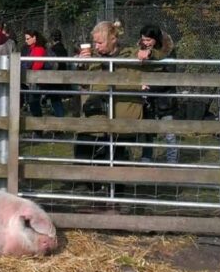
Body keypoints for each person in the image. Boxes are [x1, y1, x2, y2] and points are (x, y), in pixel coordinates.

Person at [76, 20, 143, 162]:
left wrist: (148, 54)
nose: (96, 46)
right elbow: (80, 82)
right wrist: (80, 64)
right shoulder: (91, 57)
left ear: (113, 39)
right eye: (95, 42)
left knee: (117, 158)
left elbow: (161, 54)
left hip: (121, 116)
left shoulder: (130, 55)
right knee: (83, 152)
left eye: (100, 43)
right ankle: (84, 183)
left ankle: (115, 183)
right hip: (94, 115)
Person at [136, 25, 179, 164]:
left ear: (156, 39)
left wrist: (151, 86)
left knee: (169, 132)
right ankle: (146, 156)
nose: (145, 42)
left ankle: (172, 160)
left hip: (165, 97)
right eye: (143, 39)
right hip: (147, 97)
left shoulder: (168, 52)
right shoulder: (140, 51)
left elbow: (170, 75)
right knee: (147, 129)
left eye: (148, 39)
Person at [21, 30, 51, 119]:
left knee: (33, 103)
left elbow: (37, 65)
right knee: (33, 103)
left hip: (35, 80)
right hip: (34, 80)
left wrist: (26, 67)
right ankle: (37, 127)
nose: (26, 41)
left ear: (34, 38)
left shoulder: (38, 49)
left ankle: (38, 128)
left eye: (28, 38)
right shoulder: (33, 49)